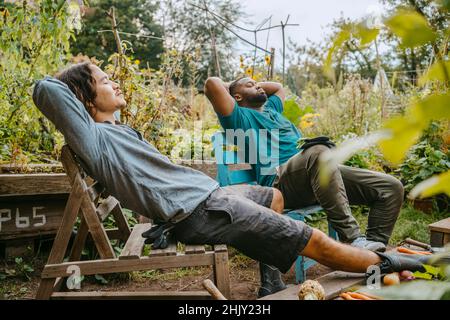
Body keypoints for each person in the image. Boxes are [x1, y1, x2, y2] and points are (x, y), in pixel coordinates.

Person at [33, 62, 441, 298]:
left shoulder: (113, 130)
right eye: (105, 80)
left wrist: (97, 87)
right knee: (311, 239)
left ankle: (270, 283)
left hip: (212, 194)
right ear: (84, 100)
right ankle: (406, 262)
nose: (114, 82)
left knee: (273, 196)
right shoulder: (93, 139)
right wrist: (82, 73)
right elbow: (46, 88)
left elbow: (99, 106)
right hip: (200, 209)